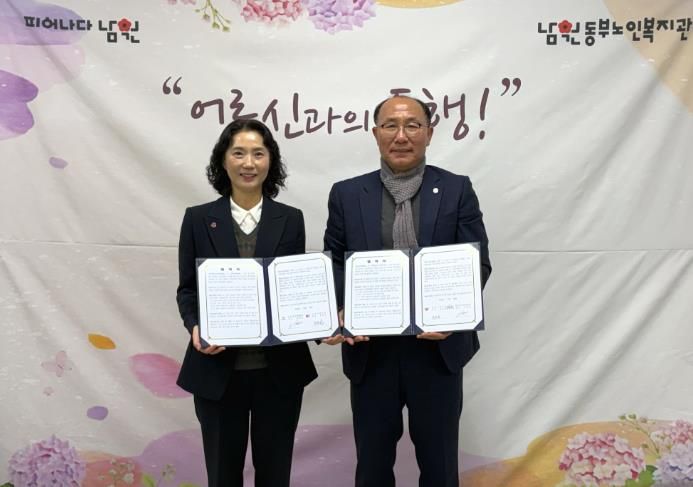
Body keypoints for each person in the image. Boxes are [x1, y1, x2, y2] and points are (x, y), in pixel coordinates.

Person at [323, 95, 492, 487]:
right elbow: (334, 261)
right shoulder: (347, 194)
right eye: (390, 126)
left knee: (439, 467)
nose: (401, 136)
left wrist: (453, 314)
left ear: (429, 134)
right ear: (376, 134)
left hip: (437, 351)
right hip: (371, 352)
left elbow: (477, 262)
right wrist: (342, 308)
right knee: (372, 466)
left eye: (413, 125)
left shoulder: (456, 189)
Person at [176, 119, 317, 487]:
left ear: (271, 161)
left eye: (258, 153)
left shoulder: (291, 219)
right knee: (223, 475)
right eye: (238, 153)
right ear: (223, 160)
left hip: (279, 372)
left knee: (275, 475)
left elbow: (295, 290)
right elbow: (187, 290)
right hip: (217, 372)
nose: (249, 163)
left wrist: (319, 322)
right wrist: (195, 326)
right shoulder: (197, 219)